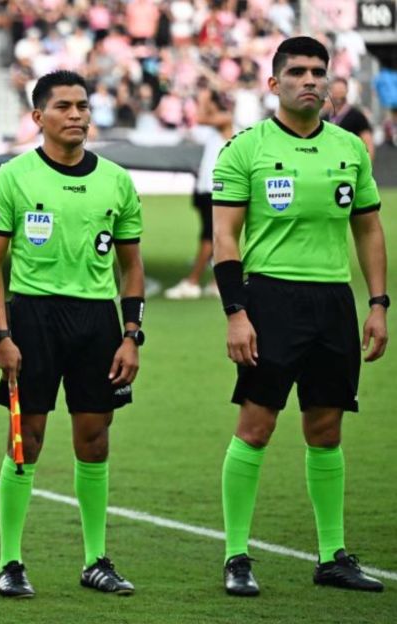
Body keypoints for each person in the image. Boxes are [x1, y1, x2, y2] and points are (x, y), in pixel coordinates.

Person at [211, 36, 387, 597]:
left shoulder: (350, 149)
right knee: (256, 427)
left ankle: (331, 555)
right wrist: (236, 312)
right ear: (274, 83)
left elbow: (368, 227)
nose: (310, 80)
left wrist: (378, 303)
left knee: (326, 428)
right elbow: (224, 236)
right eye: (297, 72)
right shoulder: (245, 149)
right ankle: (237, 555)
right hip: (270, 301)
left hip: (334, 301)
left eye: (319, 71)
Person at [0, 70, 146, 598]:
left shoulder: (116, 180)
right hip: (33, 319)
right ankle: (10, 562)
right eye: (64, 107)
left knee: (94, 440)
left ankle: (96, 559)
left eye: (82, 106)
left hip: (98, 322)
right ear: (38, 117)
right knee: (25, 441)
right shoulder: (14, 176)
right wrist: (0, 334)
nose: (76, 115)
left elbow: (132, 266)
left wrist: (131, 334)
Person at [165, 79, 233, 300]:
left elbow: (201, 118)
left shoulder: (225, 119)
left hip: (216, 189)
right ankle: (217, 282)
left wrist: (204, 100)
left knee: (209, 236)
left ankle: (193, 282)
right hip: (206, 188)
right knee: (214, 236)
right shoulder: (214, 127)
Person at [323, 77, 375, 161]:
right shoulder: (324, 118)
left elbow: (368, 143)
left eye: (341, 90)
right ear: (331, 92)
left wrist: (367, 168)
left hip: (350, 166)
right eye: (336, 90)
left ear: (347, 91)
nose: (338, 93)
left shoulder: (357, 116)